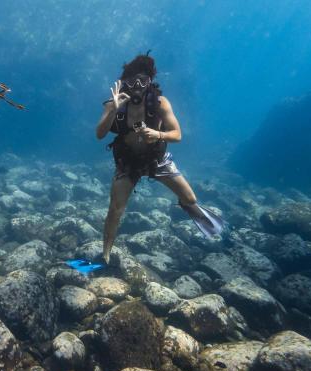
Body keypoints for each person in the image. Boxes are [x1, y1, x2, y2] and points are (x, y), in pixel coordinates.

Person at [96, 53, 224, 264]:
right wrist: (114, 110)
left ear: (150, 82)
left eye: (143, 80)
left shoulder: (160, 103)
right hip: (128, 162)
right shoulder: (113, 104)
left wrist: (158, 134)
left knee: (191, 200)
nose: (137, 86)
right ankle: (106, 253)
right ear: (123, 82)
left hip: (157, 159)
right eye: (132, 81)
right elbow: (99, 134)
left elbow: (177, 135)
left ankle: (189, 208)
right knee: (115, 209)